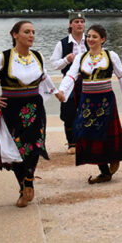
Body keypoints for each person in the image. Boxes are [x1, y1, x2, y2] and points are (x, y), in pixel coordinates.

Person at [0, 21, 57, 207]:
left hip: (34, 107)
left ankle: (28, 181)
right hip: (11, 109)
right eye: (26, 32)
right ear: (15, 34)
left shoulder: (37, 56)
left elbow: (44, 77)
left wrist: (56, 92)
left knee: (34, 145)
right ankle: (23, 186)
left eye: (33, 32)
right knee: (14, 150)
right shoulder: (3, 58)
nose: (31, 35)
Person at [55, 25, 122, 184]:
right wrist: (63, 91)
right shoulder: (81, 57)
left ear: (103, 39)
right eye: (89, 36)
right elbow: (71, 75)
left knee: (106, 133)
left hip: (106, 100)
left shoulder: (111, 55)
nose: (90, 39)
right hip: (88, 101)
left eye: (94, 37)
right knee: (87, 133)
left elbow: (121, 74)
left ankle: (110, 162)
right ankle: (105, 170)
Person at [49, 11, 88, 154]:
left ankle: (86, 141)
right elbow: (53, 64)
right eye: (76, 22)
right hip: (69, 81)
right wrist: (66, 60)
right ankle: (72, 143)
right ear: (70, 24)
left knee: (88, 110)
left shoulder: (90, 40)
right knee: (69, 112)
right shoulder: (63, 43)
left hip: (87, 81)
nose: (79, 24)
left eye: (82, 22)